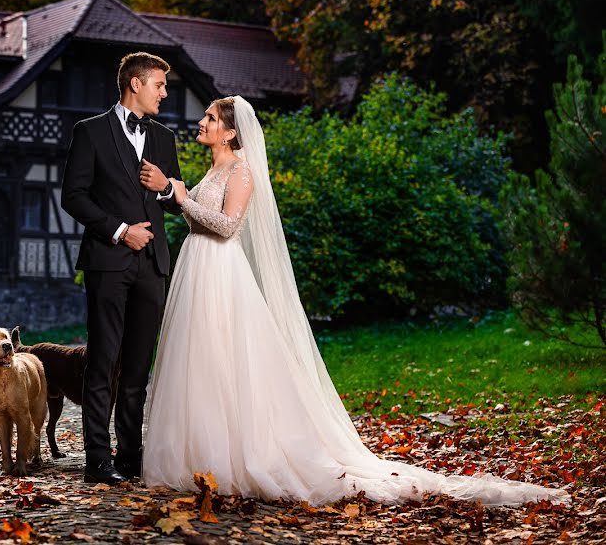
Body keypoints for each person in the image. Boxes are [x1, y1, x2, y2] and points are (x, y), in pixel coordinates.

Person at [140, 95, 570, 506]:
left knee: (225, 362)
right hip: (197, 271)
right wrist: (172, 192)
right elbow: (196, 212)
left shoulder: (241, 172)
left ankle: (235, 459)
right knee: (199, 362)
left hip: (221, 274)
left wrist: (179, 196)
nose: (202, 122)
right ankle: (199, 458)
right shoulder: (213, 172)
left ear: (231, 133)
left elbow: (229, 226)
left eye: (212, 119)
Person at [61, 52, 183, 484]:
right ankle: (98, 459)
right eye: (159, 85)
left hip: (153, 265)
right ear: (135, 84)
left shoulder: (165, 139)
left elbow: (176, 195)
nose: (164, 93)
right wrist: (119, 230)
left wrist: (165, 188)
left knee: (136, 369)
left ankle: (131, 457)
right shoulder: (90, 133)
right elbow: (73, 196)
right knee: (102, 363)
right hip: (108, 262)